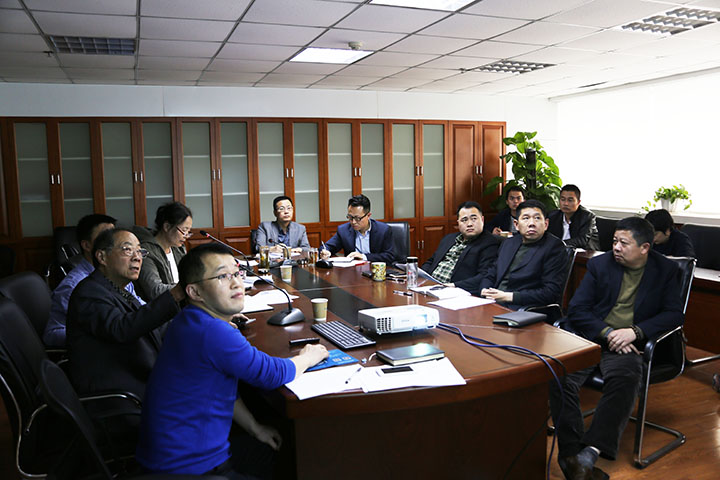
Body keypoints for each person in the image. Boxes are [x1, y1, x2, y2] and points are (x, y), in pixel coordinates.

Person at [135, 243, 328, 478]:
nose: (236, 283)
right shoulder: (211, 331)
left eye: (236, 273)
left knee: (278, 448)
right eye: (222, 276)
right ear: (194, 292)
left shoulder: (188, 319)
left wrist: (255, 429)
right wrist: (308, 357)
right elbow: (272, 374)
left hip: (171, 456)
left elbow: (222, 391)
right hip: (190, 468)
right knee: (301, 455)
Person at [549, 217, 683, 480]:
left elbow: (674, 314)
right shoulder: (600, 264)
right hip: (592, 336)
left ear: (645, 248)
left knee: (626, 378)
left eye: (623, 243)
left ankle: (590, 453)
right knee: (558, 374)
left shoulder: (665, 270)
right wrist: (608, 332)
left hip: (628, 345)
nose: (616, 247)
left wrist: (635, 331)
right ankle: (571, 455)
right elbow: (578, 309)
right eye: (614, 241)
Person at [66, 228, 185, 399]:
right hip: (120, 392)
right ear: (102, 257)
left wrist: (194, 327)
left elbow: (152, 327)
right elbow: (122, 329)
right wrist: (174, 295)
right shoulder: (89, 292)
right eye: (127, 250)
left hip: (141, 374)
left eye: (140, 251)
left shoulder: (120, 288)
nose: (137, 257)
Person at [44, 214, 124, 347]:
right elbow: (52, 334)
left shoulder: (117, 274)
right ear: (87, 245)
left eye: (114, 237)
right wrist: (96, 337)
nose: (113, 243)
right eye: (105, 237)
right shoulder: (73, 286)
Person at [473, 199, 567, 310]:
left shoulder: (554, 247)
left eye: (537, 218)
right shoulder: (508, 243)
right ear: (516, 224)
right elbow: (491, 273)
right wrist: (484, 289)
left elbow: (550, 292)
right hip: (491, 302)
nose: (531, 223)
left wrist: (508, 296)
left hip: (522, 308)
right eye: (526, 218)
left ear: (546, 224)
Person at [421, 201, 499, 289]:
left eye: (474, 219)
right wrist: (422, 277)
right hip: (429, 286)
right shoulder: (449, 238)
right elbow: (431, 261)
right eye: (464, 220)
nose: (469, 224)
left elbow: (484, 276)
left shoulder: (489, 243)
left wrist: (454, 285)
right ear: (458, 223)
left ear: (482, 220)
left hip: (453, 290)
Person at [136, 202, 192, 301]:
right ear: (167, 227)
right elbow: (155, 290)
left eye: (188, 231)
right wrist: (189, 288)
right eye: (184, 230)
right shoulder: (146, 252)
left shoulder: (178, 249)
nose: (186, 236)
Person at [320, 194, 394, 263]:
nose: (353, 222)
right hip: (352, 270)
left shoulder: (383, 230)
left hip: (375, 270)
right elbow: (327, 247)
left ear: (368, 215)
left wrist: (363, 257)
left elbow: (389, 256)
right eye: (350, 217)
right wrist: (326, 252)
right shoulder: (344, 230)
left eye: (357, 218)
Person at [547, 184, 600, 250]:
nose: (565, 203)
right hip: (559, 252)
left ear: (578, 202)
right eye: (563, 199)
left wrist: (559, 244)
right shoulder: (553, 216)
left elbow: (582, 240)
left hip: (585, 253)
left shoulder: (587, 217)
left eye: (570, 200)